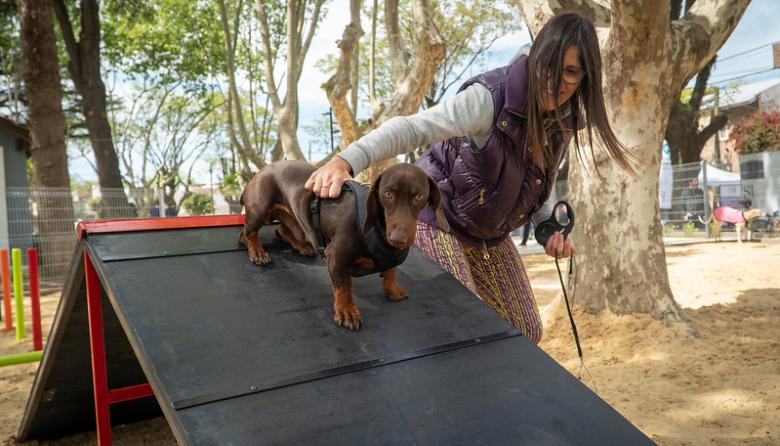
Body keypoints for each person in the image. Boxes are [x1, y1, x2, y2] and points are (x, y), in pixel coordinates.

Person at [305, 12, 635, 344]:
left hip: (489, 234)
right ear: (536, 55)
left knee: (525, 332)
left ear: (585, 78)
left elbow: (534, 181)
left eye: (570, 71)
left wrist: (546, 224)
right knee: (463, 322)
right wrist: (345, 160)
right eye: (548, 63)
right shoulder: (488, 98)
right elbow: (412, 127)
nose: (553, 81)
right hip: (440, 218)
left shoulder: (564, 119)